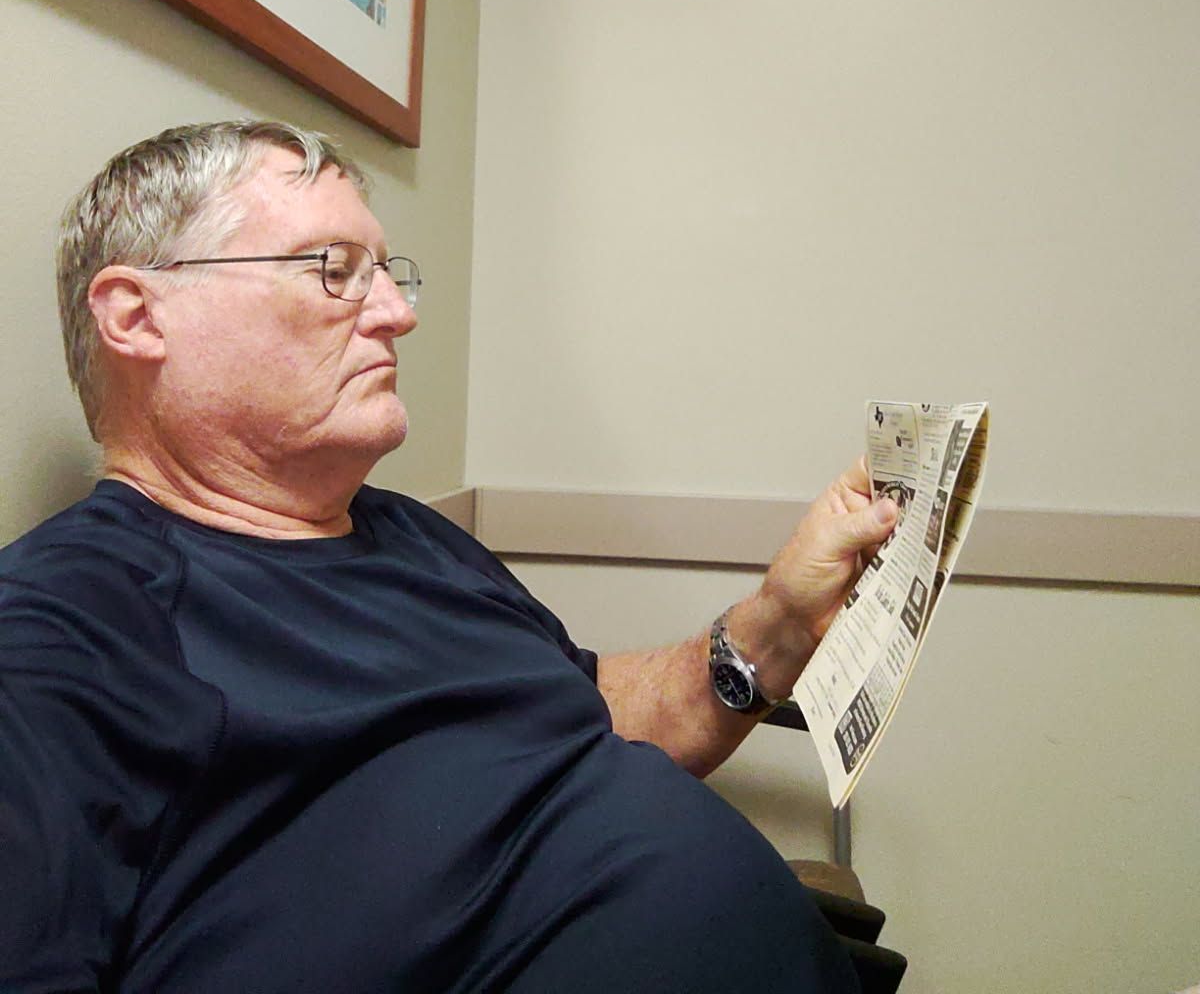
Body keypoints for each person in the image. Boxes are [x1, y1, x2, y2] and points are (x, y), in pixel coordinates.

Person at [0, 121, 898, 993]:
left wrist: (778, 622)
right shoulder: (62, 631)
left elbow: (586, 708)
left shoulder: (405, 533)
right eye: (333, 271)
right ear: (138, 315)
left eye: (385, 274)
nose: (396, 314)